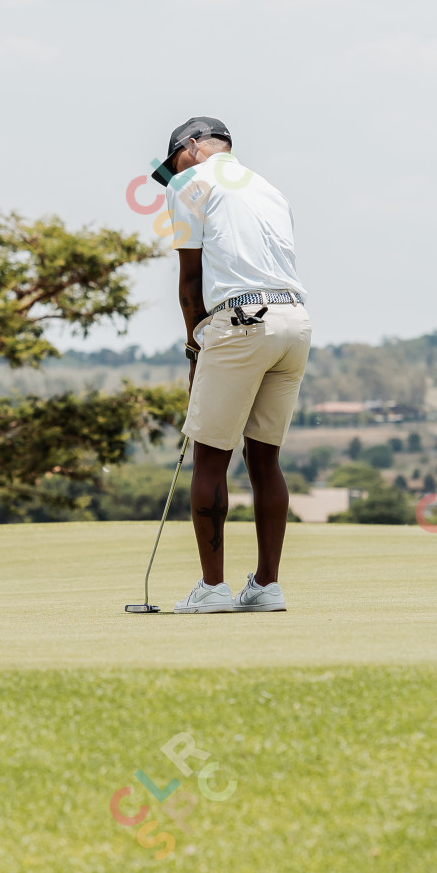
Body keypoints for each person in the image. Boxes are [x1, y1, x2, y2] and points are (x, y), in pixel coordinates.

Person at [152, 117, 309, 614]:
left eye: (173, 162)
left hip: (240, 321)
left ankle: (214, 588)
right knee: (265, 460)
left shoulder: (189, 183)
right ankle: (267, 586)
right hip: (294, 321)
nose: (170, 176)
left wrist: (195, 348)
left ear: (193, 147)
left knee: (210, 457)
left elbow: (189, 280)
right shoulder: (269, 187)